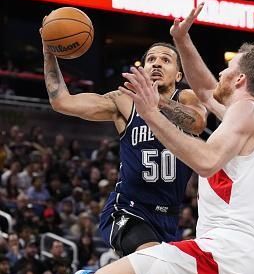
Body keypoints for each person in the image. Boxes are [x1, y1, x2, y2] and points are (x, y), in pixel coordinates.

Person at [71, 3, 254, 274]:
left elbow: (205, 162)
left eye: (228, 68)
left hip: (225, 252)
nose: (220, 73)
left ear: (240, 78)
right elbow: (207, 92)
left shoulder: (246, 112)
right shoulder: (244, 115)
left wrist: (150, 113)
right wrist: (182, 40)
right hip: (234, 254)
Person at [40, 24, 207, 256]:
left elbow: (197, 123)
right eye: (151, 59)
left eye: (166, 60)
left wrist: (156, 101)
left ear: (179, 75)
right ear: (144, 68)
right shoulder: (123, 101)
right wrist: (49, 53)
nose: (157, 63)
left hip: (168, 216)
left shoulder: (187, 97)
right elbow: (62, 102)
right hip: (127, 209)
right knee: (151, 259)